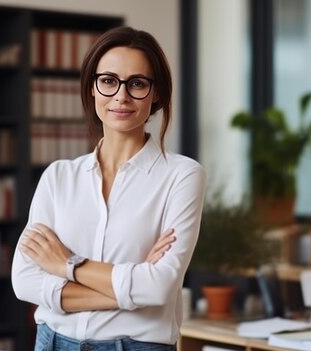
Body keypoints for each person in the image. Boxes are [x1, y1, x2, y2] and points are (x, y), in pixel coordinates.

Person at [11, 26, 206, 351]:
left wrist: (66, 265)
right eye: (108, 81)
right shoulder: (59, 177)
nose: (121, 96)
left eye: (138, 83)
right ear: (92, 87)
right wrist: (132, 287)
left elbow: (159, 288)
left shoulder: (182, 176)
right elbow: (25, 280)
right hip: (53, 343)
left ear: (156, 93)